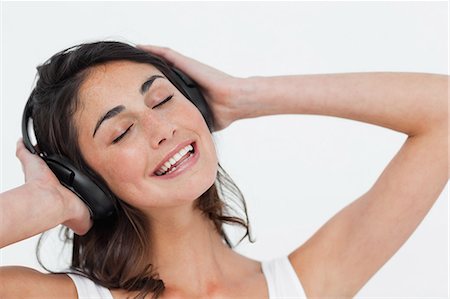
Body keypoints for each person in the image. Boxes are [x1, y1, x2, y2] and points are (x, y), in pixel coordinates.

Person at [0, 41, 447, 299]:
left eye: (162, 99)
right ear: (86, 180)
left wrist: (246, 97)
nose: (162, 129)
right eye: (120, 133)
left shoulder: (298, 286)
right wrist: (42, 203)